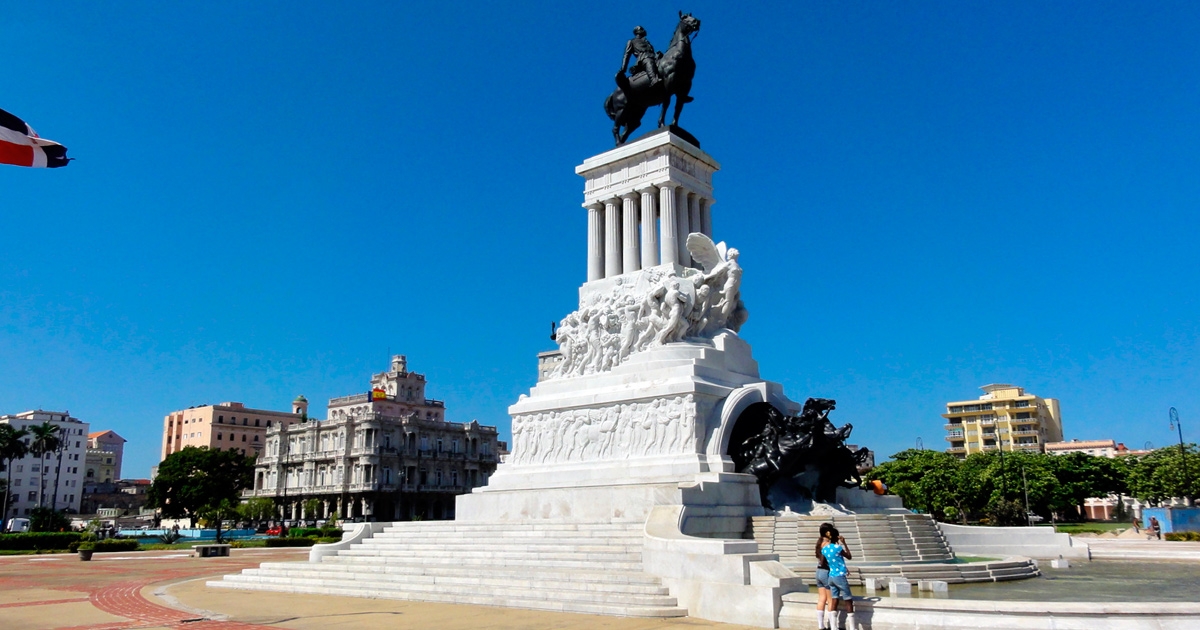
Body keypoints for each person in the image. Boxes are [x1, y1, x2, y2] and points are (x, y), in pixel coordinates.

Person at [820, 526, 856, 630]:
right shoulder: (838, 548)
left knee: (834, 600)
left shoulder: (825, 549)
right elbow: (849, 556)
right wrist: (844, 543)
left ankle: (834, 627)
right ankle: (853, 627)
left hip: (831, 576)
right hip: (840, 576)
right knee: (848, 600)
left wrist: (832, 563)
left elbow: (822, 563)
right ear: (836, 537)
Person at [814, 522, 834, 629]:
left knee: (822, 598)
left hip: (818, 571)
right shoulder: (828, 544)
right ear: (827, 532)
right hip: (826, 571)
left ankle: (821, 626)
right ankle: (832, 625)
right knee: (830, 600)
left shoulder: (819, 542)